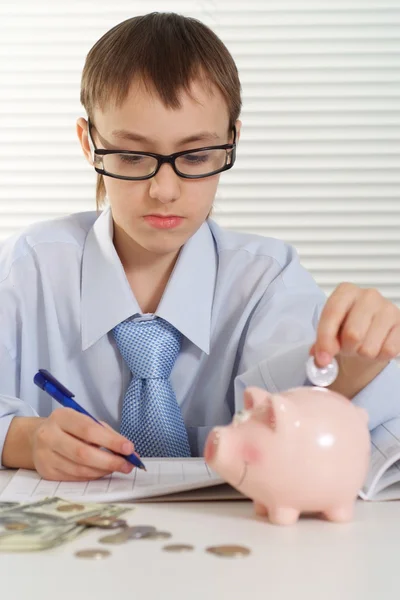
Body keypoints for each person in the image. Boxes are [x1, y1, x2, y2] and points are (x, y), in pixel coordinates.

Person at [0, 12, 399, 482]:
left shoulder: (267, 281)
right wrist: (21, 440)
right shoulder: (28, 269)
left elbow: (304, 412)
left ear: (231, 141)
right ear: (89, 144)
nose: (164, 190)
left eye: (194, 156)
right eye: (131, 156)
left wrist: (352, 368)